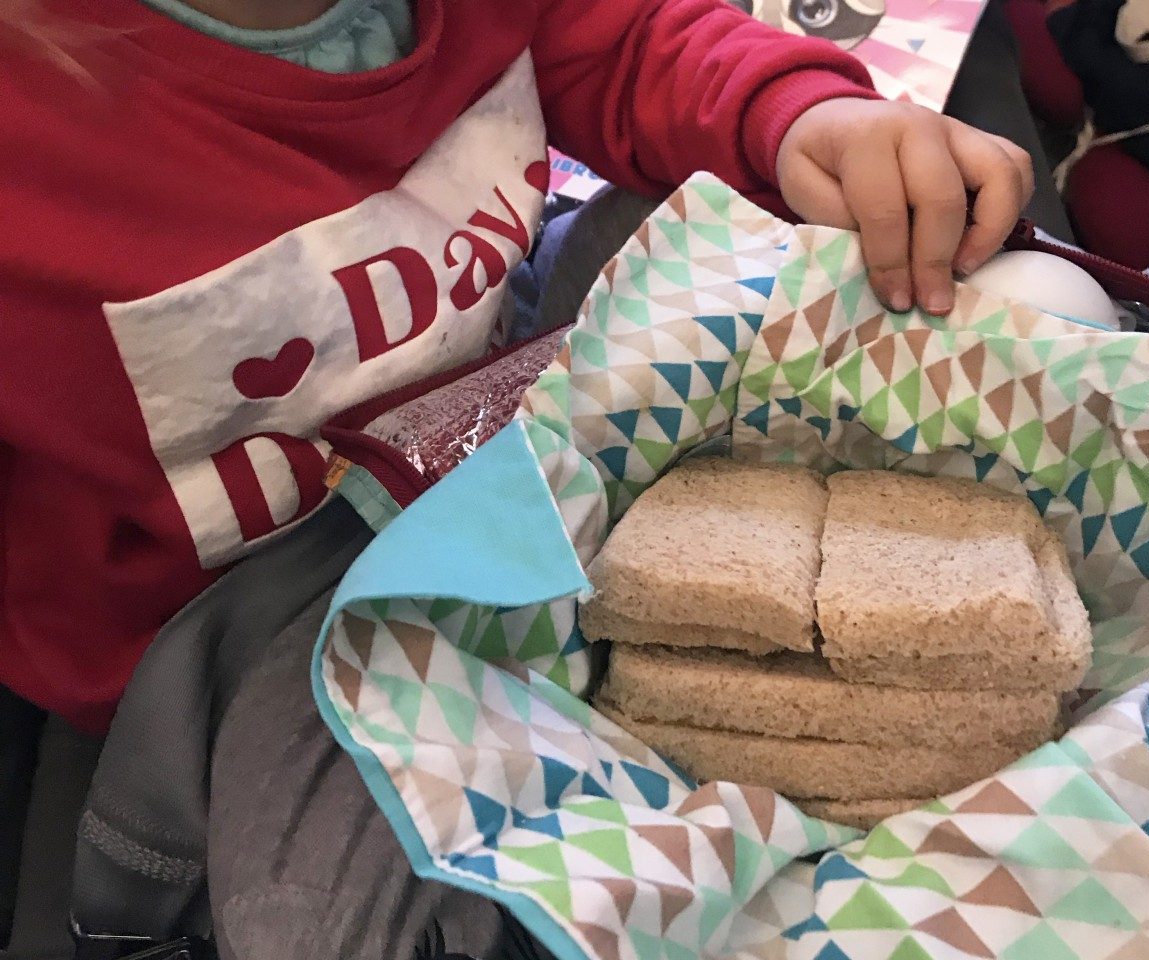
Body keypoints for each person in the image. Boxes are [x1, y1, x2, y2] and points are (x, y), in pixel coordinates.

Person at [0, 0, 1046, 957]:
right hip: (269, 624)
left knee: (1021, 296)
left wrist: (798, 114)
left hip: (514, 410)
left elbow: (626, 42)